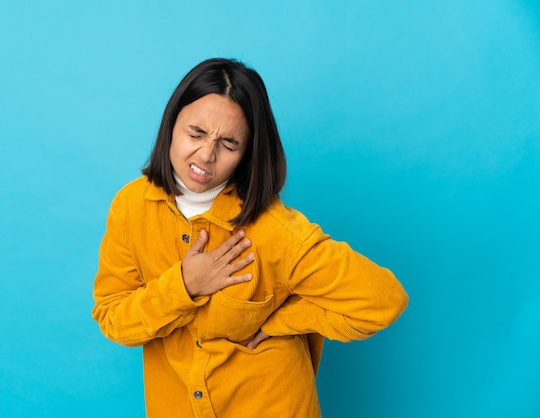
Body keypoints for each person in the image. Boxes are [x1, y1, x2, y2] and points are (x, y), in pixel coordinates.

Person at [92, 58, 408, 417]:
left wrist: (280, 320)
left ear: (247, 153)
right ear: (171, 124)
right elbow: (113, 319)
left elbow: (383, 299)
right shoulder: (131, 207)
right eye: (195, 133)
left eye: (228, 143)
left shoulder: (274, 230)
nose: (206, 155)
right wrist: (184, 286)